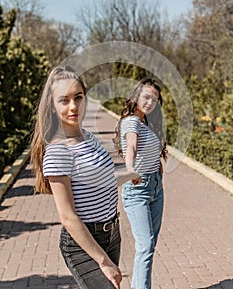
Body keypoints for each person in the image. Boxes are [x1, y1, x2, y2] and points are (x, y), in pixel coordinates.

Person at [30, 66, 129, 289]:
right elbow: (68, 217)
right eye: (64, 100)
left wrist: (132, 174)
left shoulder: (89, 138)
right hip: (82, 242)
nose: (73, 106)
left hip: (111, 233)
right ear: (53, 107)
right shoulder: (58, 152)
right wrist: (103, 261)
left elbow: (102, 180)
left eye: (78, 97)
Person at [113, 78, 167, 289]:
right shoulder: (131, 121)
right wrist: (130, 169)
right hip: (137, 188)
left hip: (155, 186)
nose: (150, 102)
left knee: (148, 246)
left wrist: (158, 165)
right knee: (145, 246)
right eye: (146, 97)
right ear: (136, 96)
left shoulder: (145, 122)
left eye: (154, 99)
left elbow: (148, 147)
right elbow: (132, 145)